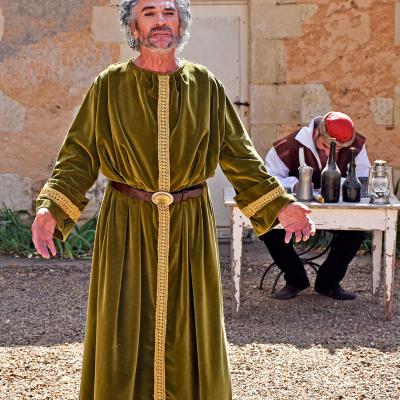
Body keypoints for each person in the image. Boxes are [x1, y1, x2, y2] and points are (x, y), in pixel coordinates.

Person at [31, 1, 315, 399]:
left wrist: (281, 204)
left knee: (191, 326)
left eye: (169, 12)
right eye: (149, 13)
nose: (161, 21)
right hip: (126, 224)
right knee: (124, 323)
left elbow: (240, 156)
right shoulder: (109, 85)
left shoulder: (206, 86)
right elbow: (79, 155)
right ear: (133, 26)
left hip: (189, 226)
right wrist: (52, 207)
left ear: (181, 23)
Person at [260, 111, 371, 301]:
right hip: (295, 210)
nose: (329, 153)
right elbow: (269, 177)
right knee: (269, 228)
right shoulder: (288, 146)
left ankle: (328, 282)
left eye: (336, 150)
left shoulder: (356, 146)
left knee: (355, 230)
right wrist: (294, 184)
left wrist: (340, 184)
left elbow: (363, 177)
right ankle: (295, 279)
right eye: (325, 146)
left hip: (336, 209)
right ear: (317, 132)